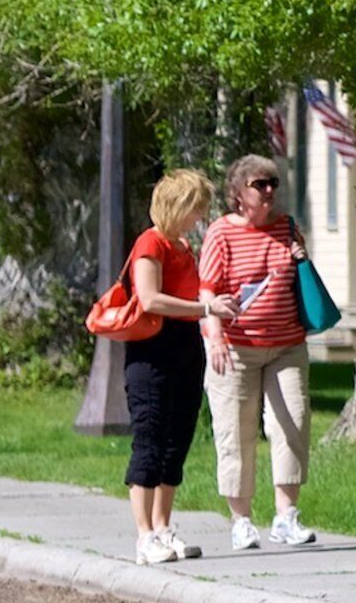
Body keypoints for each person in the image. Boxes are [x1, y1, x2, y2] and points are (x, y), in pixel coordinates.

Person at [198, 152, 320, 550]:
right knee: (236, 429)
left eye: (273, 184)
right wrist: (214, 336)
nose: (269, 191)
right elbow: (208, 290)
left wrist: (300, 255)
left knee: (293, 423)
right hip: (235, 347)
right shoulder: (221, 233)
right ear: (239, 193)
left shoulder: (286, 228)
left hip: (286, 344)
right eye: (259, 184)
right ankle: (241, 520)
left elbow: (297, 274)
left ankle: (286, 517)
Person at [121, 168, 236, 564]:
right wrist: (206, 308)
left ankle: (164, 526)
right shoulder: (150, 243)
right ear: (177, 206)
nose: (199, 218)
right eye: (195, 209)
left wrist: (218, 307)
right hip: (152, 349)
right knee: (150, 440)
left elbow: (192, 294)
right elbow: (151, 299)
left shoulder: (184, 247)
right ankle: (144, 536)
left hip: (186, 345)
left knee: (177, 441)